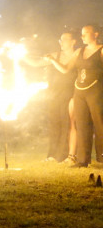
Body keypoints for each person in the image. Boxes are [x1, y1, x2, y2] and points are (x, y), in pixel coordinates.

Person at [49, 25, 103, 167]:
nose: (83, 36)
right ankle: (82, 160)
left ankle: (101, 159)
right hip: (79, 91)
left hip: (96, 91)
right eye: (82, 34)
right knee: (81, 125)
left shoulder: (101, 50)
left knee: (100, 124)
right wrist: (53, 60)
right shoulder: (79, 51)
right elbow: (66, 69)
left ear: (96, 34)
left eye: (86, 33)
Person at [29, 31, 79, 162]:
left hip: (70, 93)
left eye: (64, 39)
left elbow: (65, 69)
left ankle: (66, 155)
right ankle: (52, 155)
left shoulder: (77, 55)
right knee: (54, 123)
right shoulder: (57, 55)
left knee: (67, 123)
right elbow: (36, 64)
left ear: (73, 41)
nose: (61, 42)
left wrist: (52, 59)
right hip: (55, 94)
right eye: (60, 40)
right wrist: (21, 56)